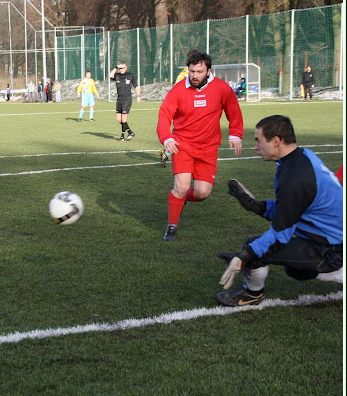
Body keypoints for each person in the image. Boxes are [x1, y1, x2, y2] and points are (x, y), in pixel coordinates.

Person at [215, 115, 343, 306]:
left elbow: (281, 233)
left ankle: (252, 293)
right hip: (329, 239)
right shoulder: (300, 157)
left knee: (257, 249)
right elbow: (293, 209)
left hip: (334, 249)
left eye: (258, 140)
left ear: (276, 141)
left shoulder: (295, 178)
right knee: (294, 270)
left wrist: (245, 255)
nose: (256, 147)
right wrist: (257, 206)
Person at [156, 50, 243, 241]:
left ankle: (180, 200)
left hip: (208, 148)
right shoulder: (179, 90)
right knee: (182, 186)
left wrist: (236, 134)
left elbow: (233, 111)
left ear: (208, 71)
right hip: (183, 145)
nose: (195, 76)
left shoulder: (221, 88)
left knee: (202, 193)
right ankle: (172, 227)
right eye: (192, 71)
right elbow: (164, 115)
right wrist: (167, 138)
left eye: (199, 72)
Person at [109, 62, 141, 141]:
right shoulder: (117, 75)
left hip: (127, 99)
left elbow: (136, 86)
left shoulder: (130, 75)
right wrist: (116, 67)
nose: (121, 69)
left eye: (123, 68)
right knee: (118, 119)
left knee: (124, 118)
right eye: (120, 68)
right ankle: (130, 132)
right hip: (119, 99)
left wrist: (138, 96)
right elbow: (110, 75)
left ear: (126, 68)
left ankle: (122, 136)